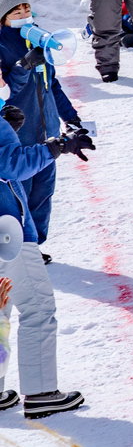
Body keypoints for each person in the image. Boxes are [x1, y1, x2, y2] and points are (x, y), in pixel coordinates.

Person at [0, 97, 94, 420]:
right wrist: (57, 147)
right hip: (7, 231)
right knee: (38, 308)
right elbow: (11, 165)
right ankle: (41, 393)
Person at [0, 0, 89, 261]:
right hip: (19, 133)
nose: (24, 15)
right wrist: (23, 66)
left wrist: (71, 118)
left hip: (47, 129)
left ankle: (34, 245)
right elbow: (6, 93)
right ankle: (18, 249)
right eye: (17, 12)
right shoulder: (2, 45)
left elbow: (53, 86)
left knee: (43, 193)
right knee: (19, 196)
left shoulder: (39, 39)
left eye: (27, 9)